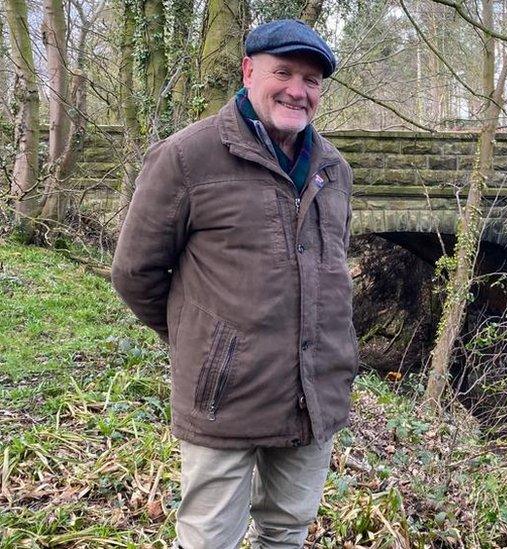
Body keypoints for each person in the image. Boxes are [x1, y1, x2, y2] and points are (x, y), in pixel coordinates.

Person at [111, 19, 358, 549]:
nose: (298, 90)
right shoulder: (186, 157)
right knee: (207, 539)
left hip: (313, 397)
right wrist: (208, 343)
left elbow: (329, 269)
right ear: (248, 71)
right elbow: (136, 274)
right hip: (224, 399)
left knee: (286, 531)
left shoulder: (334, 169)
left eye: (312, 80)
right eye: (283, 72)